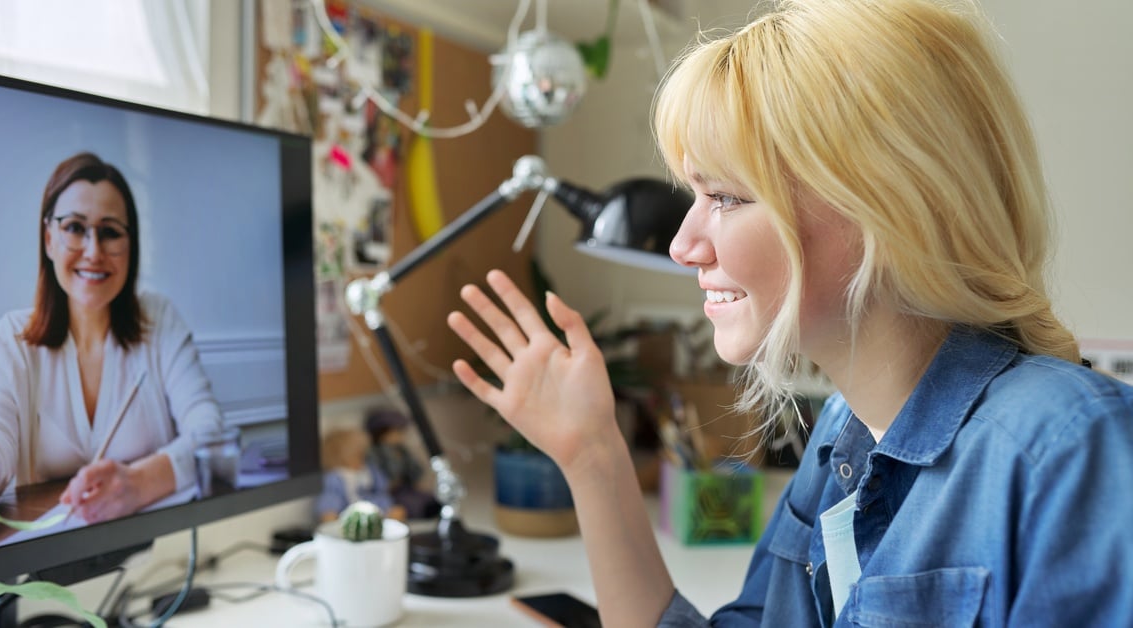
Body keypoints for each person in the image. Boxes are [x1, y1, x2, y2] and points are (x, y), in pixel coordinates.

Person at [444, 0, 1133, 626]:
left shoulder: (1067, 447)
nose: (684, 245)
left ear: (888, 206)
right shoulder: (843, 436)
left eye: (729, 197)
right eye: (693, 194)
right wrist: (592, 455)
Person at [0, 152, 223, 524]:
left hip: (157, 557)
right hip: (44, 571)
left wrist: (138, 483)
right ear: (49, 238)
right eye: (74, 227)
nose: (93, 251)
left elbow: (212, 437)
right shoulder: (11, 340)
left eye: (111, 232)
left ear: (130, 246)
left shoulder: (160, 320)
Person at [363, 406, 439, 520]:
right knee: (411, 505)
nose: (401, 436)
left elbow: (417, 471)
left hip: (407, 489)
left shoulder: (402, 450)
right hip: (390, 494)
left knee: (431, 501)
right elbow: (382, 480)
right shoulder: (375, 453)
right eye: (396, 432)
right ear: (383, 433)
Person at [314, 427, 402, 523]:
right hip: (351, 518)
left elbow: (381, 489)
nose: (362, 460)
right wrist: (330, 516)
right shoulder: (336, 478)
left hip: (375, 511)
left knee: (398, 511)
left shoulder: (368, 470)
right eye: (358, 456)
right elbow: (330, 499)